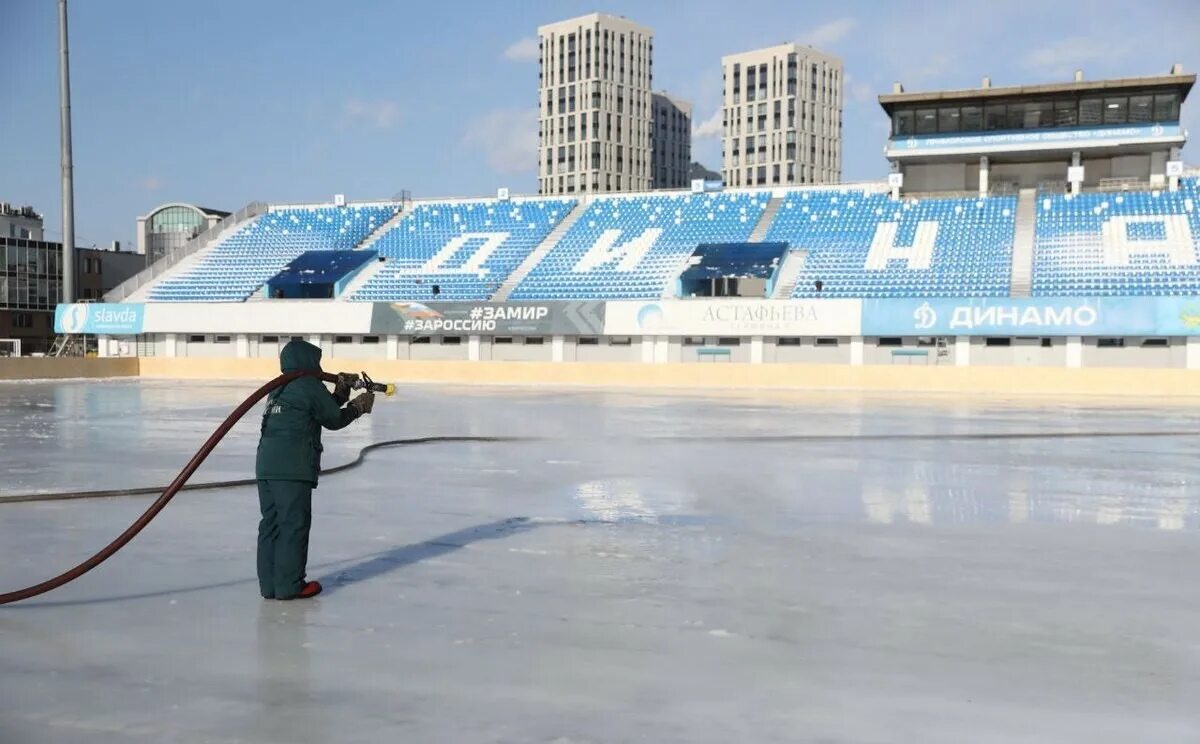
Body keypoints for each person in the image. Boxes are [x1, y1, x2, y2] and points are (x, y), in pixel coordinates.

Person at [255, 339, 374, 600]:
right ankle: (290, 586)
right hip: (292, 466)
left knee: (271, 524)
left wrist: (340, 394)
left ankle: (270, 586)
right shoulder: (309, 385)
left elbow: (316, 410)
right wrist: (357, 407)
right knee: (293, 525)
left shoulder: (278, 388)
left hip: (266, 466)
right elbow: (333, 419)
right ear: (307, 362)